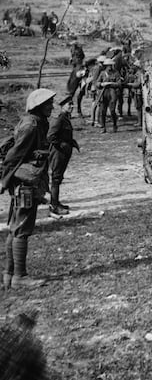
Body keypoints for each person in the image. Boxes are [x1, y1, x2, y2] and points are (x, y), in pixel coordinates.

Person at [0, 88, 56, 289]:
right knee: (22, 229)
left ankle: (9, 275)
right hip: (25, 184)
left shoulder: (36, 122)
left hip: (25, 182)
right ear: (38, 107)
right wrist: (4, 181)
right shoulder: (32, 126)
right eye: (48, 103)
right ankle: (19, 277)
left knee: (15, 229)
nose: (51, 106)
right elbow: (13, 156)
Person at [48, 97, 79, 215]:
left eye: (72, 104)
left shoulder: (65, 118)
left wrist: (72, 143)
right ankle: (54, 206)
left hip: (63, 152)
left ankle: (56, 202)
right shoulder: (59, 119)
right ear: (62, 106)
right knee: (56, 178)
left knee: (59, 178)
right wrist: (62, 145)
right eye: (69, 105)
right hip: (58, 153)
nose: (71, 107)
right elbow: (50, 136)